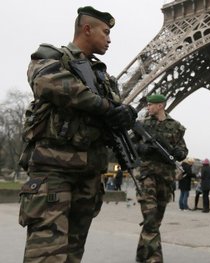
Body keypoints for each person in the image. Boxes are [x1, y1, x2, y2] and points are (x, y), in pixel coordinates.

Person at [17, 6, 137, 262]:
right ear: (86, 29)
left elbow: (114, 112)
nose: (109, 38)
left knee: (73, 255)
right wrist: (108, 108)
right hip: (54, 172)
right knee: (46, 256)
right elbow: (51, 83)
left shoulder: (102, 76)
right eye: (105, 32)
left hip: (88, 176)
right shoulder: (51, 56)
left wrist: (127, 113)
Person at [133, 93, 188, 263]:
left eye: (151, 104)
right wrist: (141, 148)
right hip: (146, 175)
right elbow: (129, 144)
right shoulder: (141, 125)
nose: (147, 107)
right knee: (150, 218)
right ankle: (154, 259)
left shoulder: (176, 127)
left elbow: (183, 151)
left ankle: (142, 256)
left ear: (161, 105)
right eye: (147, 104)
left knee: (155, 221)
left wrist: (179, 153)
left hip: (165, 178)